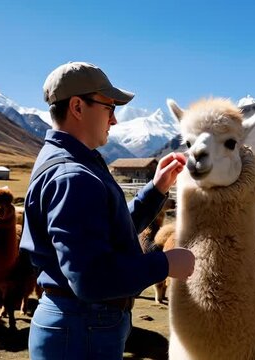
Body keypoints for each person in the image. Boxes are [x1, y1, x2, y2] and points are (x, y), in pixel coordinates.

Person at [20, 62, 195, 359]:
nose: (114, 120)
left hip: (81, 325)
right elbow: (91, 279)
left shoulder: (72, 163)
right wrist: (163, 265)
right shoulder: (72, 176)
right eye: (109, 107)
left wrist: (156, 189)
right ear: (77, 107)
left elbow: (105, 231)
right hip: (82, 328)